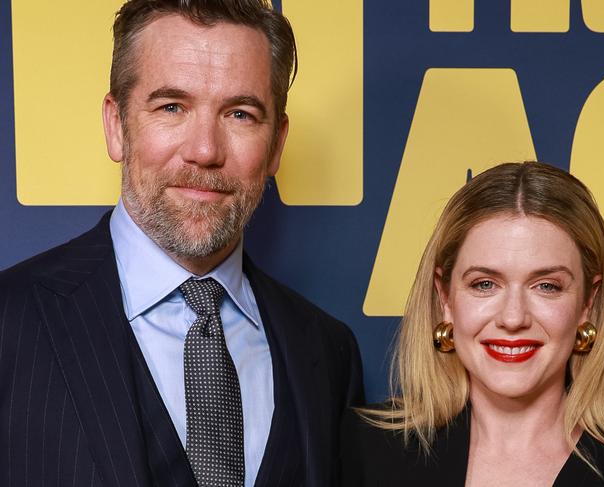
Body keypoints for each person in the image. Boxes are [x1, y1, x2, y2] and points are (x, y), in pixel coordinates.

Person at [0, 1, 364, 486]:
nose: (205, 150)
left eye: (240, 113)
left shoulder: (327, 351)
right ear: (116, 125)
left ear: (276, 144)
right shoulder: (9, 320)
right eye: (172, 107)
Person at [341, 162, 604, 486]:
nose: (513, 319)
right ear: (445, 296)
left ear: (588, 301)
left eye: (547, 285)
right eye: (485, 284)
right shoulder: (364, 451)